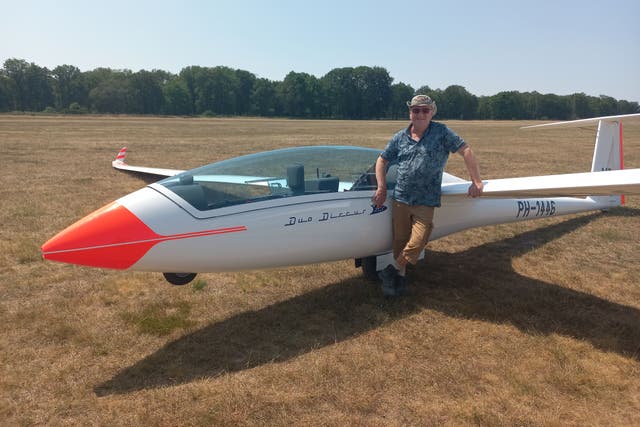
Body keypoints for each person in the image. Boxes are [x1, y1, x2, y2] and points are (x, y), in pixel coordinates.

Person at [372, 94, 483, 296]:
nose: (420, 114)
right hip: (400, 199)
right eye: (416, 110)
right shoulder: (400, 137)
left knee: (417, 242)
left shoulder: (441, 132)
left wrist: (476, 180)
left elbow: (465, 150)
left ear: (432, 112)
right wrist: (382, 187)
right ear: (410, 113)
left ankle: (391, 270)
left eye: (425, 110)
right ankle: (398, 280)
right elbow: (382, 160)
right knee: (400, 241)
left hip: (426, 200)